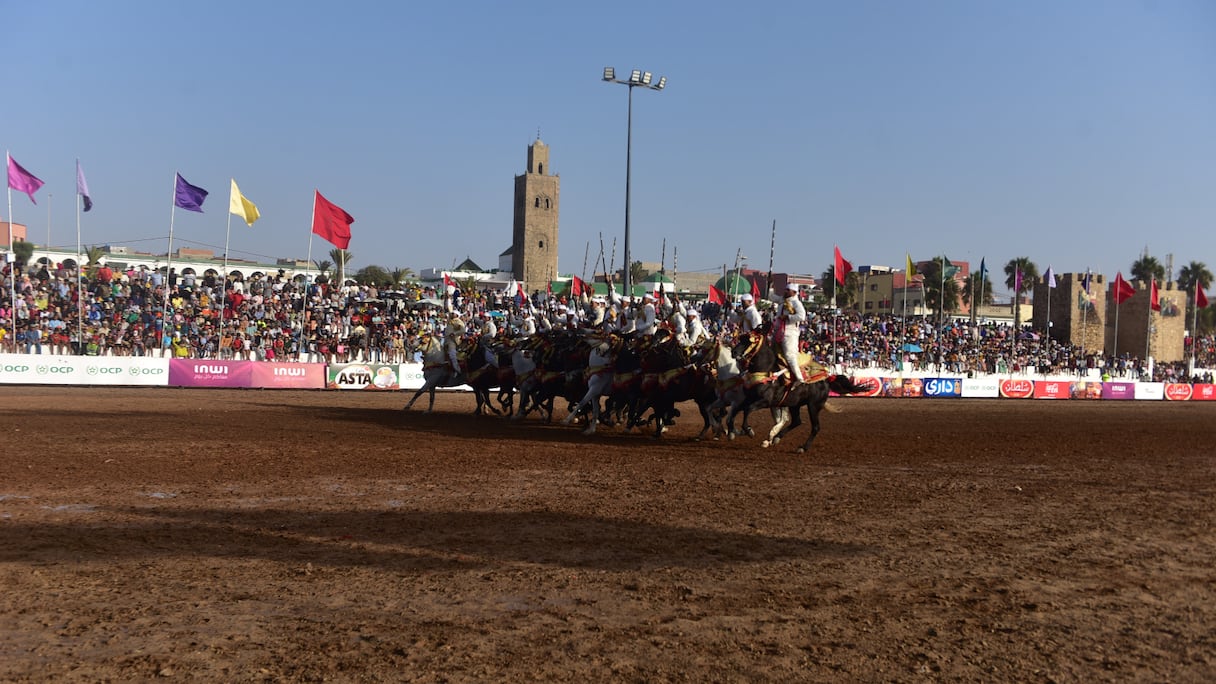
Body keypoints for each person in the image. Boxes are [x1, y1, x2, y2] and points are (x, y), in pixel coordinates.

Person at [771, 284, 806, 382]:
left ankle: (800, 379)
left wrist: (788, 317)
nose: (785, 291)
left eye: (788, 290)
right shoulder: (782, 300)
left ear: (794, 292)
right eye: (785, 289)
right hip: (778, 331)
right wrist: (770, 285)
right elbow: (771, 297)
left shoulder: (796, 303)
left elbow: (802, 316)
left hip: (789, 333)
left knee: (789, 356)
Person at [444, 312, 465, 377]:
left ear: (457, 315)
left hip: (453, 341)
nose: (452, 314)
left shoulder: (459, 321)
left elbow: (463, 330)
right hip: (446, 340)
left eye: (454, 313)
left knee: (452, 355)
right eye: (452, 313)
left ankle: (458, 370)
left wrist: (454, 333)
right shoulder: (450, 320)